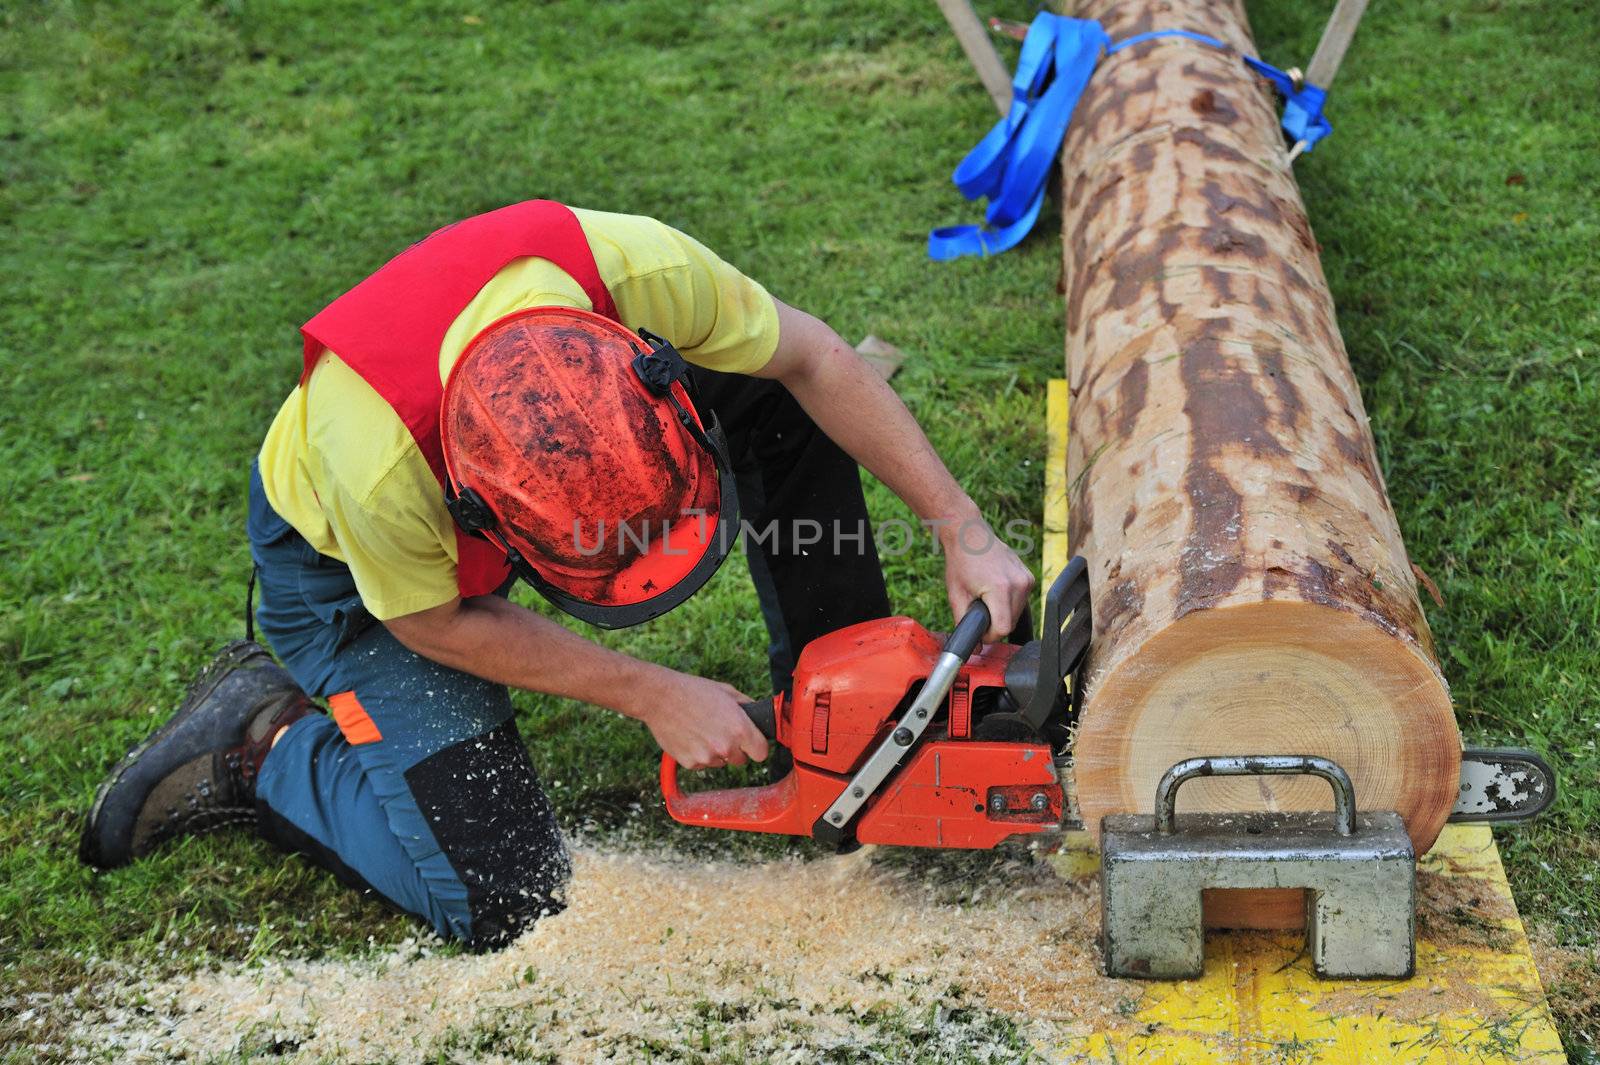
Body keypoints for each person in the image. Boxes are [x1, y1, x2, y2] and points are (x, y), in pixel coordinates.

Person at [79, 201, 1033, 949]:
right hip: (360, 586)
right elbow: (439, 621)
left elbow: (817, 358)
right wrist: (651, 690)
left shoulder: (632, 270)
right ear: (485, 516)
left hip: (506, 477)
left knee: (772, 391)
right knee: (501, 894)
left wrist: (964, 528)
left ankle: (849, 730)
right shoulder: (369, 467)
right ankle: (266, 740)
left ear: (644, 370)